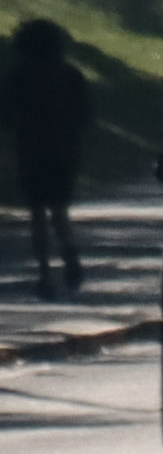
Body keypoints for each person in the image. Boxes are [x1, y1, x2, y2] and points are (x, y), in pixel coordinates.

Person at [4, 18, 92, 299]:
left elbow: (6, 116)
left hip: (31, 151)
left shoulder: (18, 76)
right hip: (64, 152)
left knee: (37, 214)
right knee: (59, 208)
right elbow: (84, 117)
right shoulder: (70, 75)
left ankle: (45, 272)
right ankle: (69, 252)